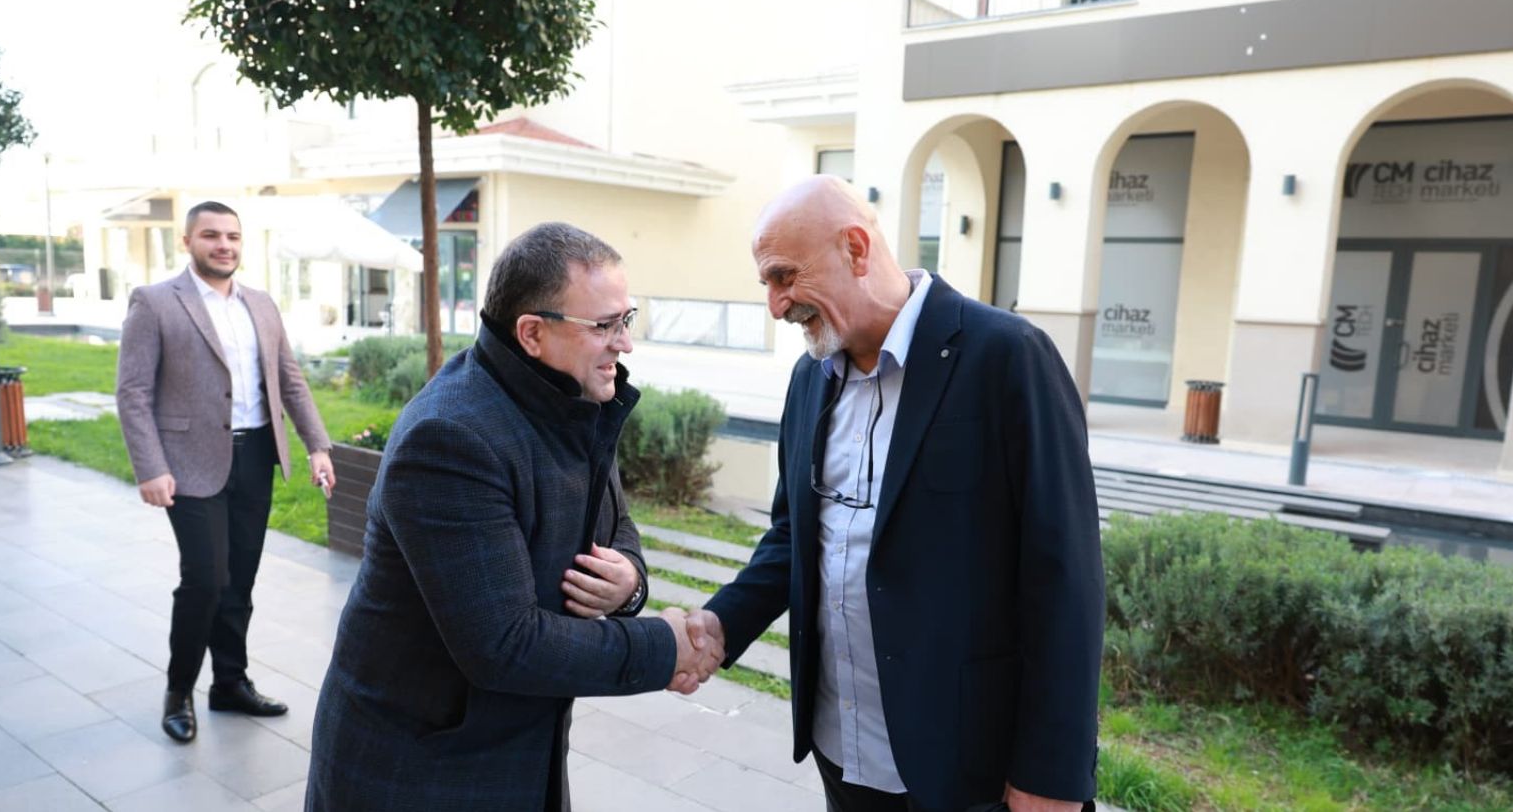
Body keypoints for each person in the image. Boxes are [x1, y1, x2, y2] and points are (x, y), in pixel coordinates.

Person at [681, 176, 1105, 812]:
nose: (775, 305)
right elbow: (795, 536)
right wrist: (721, 624)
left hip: (968, 766)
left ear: (855, 248)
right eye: (767, 284)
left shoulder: (1007, 356)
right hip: (842, 751)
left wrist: (1052, 773)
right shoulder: (808, 379)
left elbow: (1065, 576)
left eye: (784, 277)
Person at [306, 223, 717, 812]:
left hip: (520, 749)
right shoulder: (449, 438)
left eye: (627, 319)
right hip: (419, 771)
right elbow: (503, 644)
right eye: (605, 326)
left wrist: (628, 581)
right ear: (532, 333)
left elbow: (616, 524)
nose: (625, 344)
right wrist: (664, 648)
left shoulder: (573, 398)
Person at [116, 200, 336, 744]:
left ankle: (230, 684)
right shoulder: (155, 302)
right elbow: (133, 392)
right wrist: (150, 467)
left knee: (240, 580)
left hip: (256, 455)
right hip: (188, 463)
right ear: (187, 242)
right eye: (211, 235)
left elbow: (289, 379)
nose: (224, 245)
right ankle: (178, 692)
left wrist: (317, 445)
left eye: (232, 236)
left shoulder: (260, 303)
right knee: (206, 580)